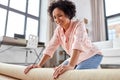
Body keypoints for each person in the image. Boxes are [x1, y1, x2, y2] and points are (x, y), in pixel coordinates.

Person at [24, 0, 103, 79]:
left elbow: (78, 43)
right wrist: (39, 65)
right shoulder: (58, 30)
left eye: (60, 15)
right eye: (54, 17)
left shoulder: (79, 24)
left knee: (76, 76)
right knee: (58, 72)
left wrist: (71, 65)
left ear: (68, 14)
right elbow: (50, 47)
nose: (57, 20)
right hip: (76, 58)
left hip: (91, 55)